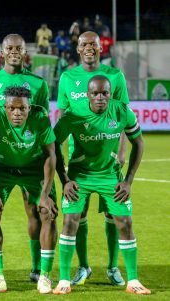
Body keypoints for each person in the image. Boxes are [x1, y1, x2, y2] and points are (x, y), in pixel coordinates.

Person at [52, 75, 150, 295]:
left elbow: (139, 142)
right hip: (80, 177)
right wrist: (65, 180)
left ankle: (133, 281)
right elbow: (52, 144)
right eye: (95, 93)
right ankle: (64, 280)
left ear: (110, 94)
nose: (100, 98)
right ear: (87, 95)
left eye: (104, 93)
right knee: (70, 221)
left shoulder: (121, 111)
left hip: (110, 176)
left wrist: (128, 180)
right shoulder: (74, 114)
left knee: (124, 222)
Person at [57, 31, 129, 287]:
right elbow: (64, 118)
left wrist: (121, 152)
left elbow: (122, 116)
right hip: (79, 161)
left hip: (108, 160)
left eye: (94, 44)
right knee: (79, 214)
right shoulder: (67, 77)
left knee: (114, 213)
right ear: (77, 48)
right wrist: (64, 159)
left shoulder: (115, 76)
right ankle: (84, 266)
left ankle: (112, 267)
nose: (89, 48)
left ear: (102, 48)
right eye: (84, 44)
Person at [0, 34, 49, 286]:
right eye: (10, 48)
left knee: (36, 213)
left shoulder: (38, 84)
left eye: (20, 47)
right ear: (2, 51)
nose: (15, 51)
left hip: (31, 162)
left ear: (26, 50)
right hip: (1, 163)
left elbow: (41, 123)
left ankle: (38, 267)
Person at [0, 86, 57, 294]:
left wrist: (45, 194)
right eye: (12, 108)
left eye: (22, 109)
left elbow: (51, 155)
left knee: (47, 213)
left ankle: (45, 276)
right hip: (3, 169)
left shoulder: (40, 116)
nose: (17, 113)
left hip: (34, 168)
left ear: (29, 107)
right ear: (5, 107)